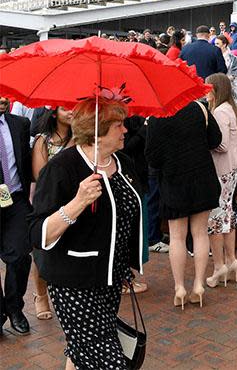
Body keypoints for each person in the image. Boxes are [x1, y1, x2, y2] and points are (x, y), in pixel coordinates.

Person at [29, 97, 142, 367]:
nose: (125, 130)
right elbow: (38, 234)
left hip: (111, 279)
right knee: (109, 359)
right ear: (97, 130)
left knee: (81, 349)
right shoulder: (61, 168)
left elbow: (124, 218)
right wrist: (77, 203)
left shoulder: (124, 163)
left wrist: (125, 264)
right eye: (118, 125)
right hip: (74, 281)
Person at [145, 100, 222, 309]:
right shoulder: (199, 108)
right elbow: (216, 139)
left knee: (177, 236)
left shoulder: (157, 115)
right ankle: (198, 284)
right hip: (202, 177)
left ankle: (179, 287)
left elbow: (152, 157)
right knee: (200, 233)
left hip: (173, 180)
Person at [30, 106, 74, 321]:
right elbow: (41, 176)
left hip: (76, 203)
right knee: (41, 253)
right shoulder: (43, 140)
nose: (71, 112)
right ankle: (41, 296)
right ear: (54, 113)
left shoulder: (82, 137)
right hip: (49, 204)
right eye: (66, 108)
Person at [205, 74, 237, 289]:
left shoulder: (220, 112)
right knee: (227, 215)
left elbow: (221, 145)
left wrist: (204, 141)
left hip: (221, 169)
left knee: (215, 218)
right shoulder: (231, 108)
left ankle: (219, 265)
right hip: (231, 168)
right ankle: (230, 261)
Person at [0, 96, 32, 336]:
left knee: (20, 256)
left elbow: (26, 164)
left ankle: (14, 308)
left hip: (16, 201)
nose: (2, 98)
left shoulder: (20, 124)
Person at [215, 34, 237, 112]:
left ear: (224, 45)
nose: (215, 46)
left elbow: (236, 73)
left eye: (217, 44)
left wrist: (228, 78)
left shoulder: (233, 59)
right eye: (215, 44)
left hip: (231, 87)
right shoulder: (214, 57)